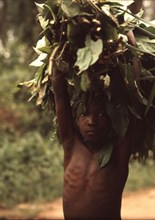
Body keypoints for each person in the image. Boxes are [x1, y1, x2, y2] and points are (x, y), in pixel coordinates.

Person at [51, 31, 136, 220]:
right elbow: (60, 95)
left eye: (100, 115)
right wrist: (59, 44)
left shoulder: (118, 155)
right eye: (85, 114)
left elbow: (128, 103)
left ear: (112, 120)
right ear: (76, 121)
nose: (92, 121)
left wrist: (130, 48)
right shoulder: (70, 145)